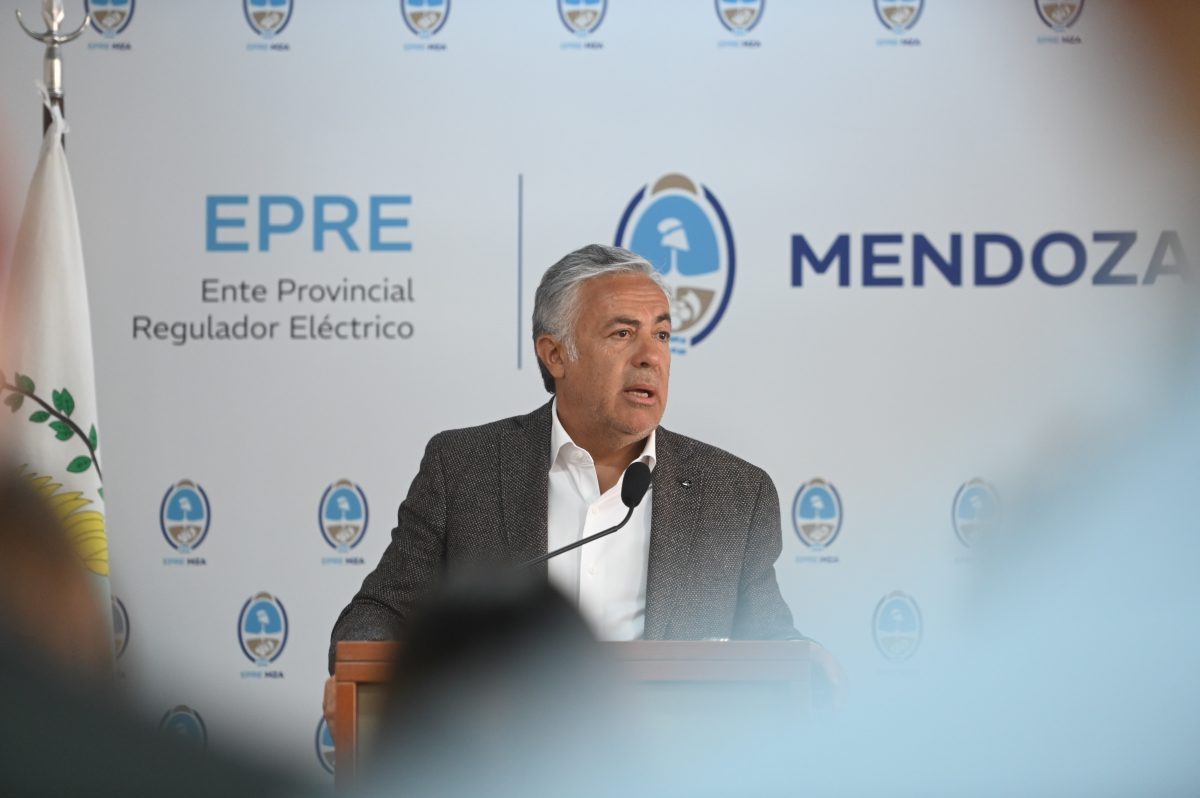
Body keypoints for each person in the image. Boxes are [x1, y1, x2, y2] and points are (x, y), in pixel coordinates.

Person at [325, 244, 801, 721]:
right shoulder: (465, 468)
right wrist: (366, 679)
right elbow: (377, 615)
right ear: (555, 354)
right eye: (622, 333)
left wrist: (811, 668)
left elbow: (775, 648)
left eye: (661, 334)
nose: (651, 357)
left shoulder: (735, 494)